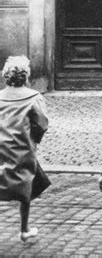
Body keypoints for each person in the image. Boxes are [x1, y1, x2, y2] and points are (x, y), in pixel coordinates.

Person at [0, 55, 50, 242]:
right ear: (26, 76)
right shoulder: (33, 98)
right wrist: (35, 139)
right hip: (22, 147)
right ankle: (24, 228)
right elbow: (42, 123)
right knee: (25, 185)